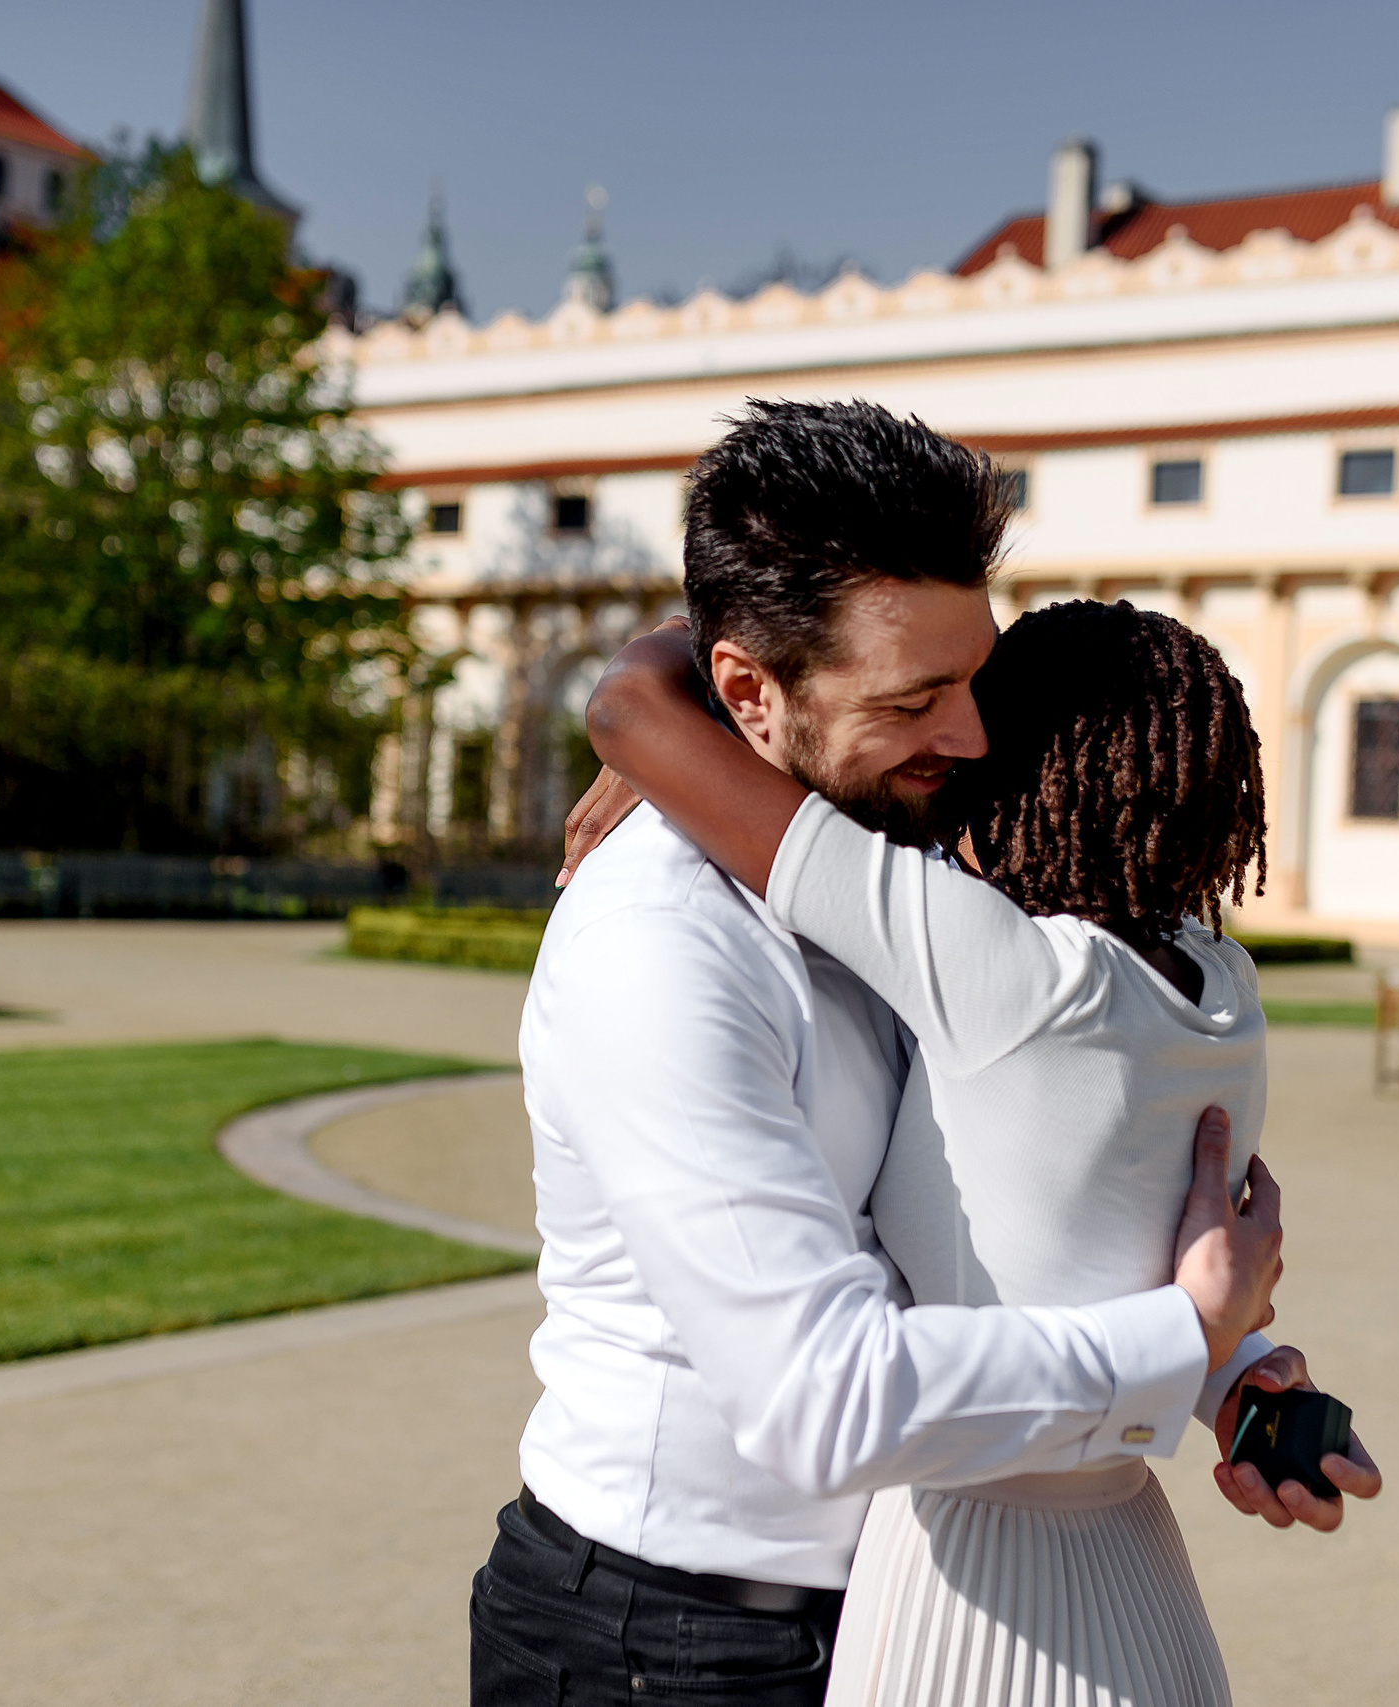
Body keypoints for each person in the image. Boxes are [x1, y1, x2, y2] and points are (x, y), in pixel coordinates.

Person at [477, 400, 1296, 1707]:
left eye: (975, 680)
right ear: (747, 690)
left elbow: (1007, 1212)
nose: (973, 738)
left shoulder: (918, 851)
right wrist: (1182, 1335)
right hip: (672, 1643)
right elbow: (823, 1395)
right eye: (916, 698)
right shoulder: (657, 946)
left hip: (903, 1610)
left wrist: (1237, 1372)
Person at [587, 588, 1382, 1704]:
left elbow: (629, 713)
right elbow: (1113, 1254)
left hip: (965, 1571)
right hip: (1134, 1568)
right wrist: (1236, 1376)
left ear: (1015, 771)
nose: (950, 744)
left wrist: (709, 686)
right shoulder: (1222, 990)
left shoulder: (1002, 971)